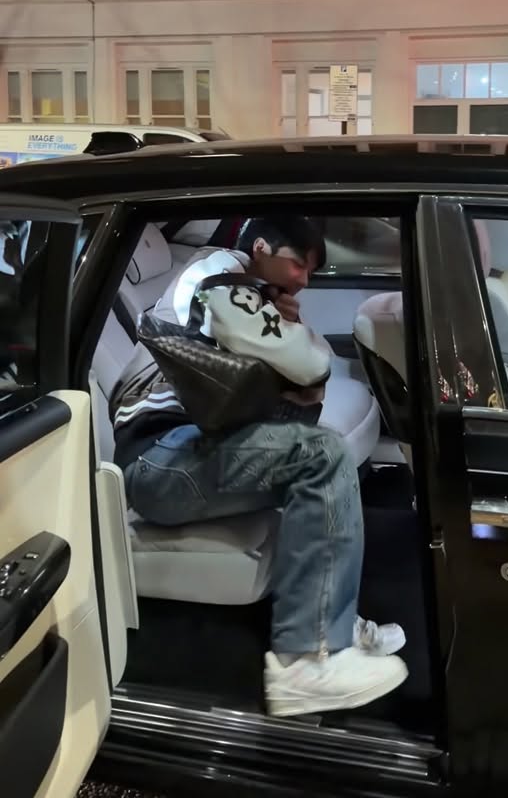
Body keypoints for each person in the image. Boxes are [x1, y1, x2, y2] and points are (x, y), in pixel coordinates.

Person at [110, 215, 408, 718]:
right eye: (298, 265)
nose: (303, 280)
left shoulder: (248, 291)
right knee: (322, 456)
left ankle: (332, 621)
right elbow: (309, 365)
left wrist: (284, 322)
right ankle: (306, 663)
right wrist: (292, 329)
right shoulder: (219, 275)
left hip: (187, 448)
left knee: (317, 455)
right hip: (158, 456)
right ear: (263, 247)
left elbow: (299, 376)